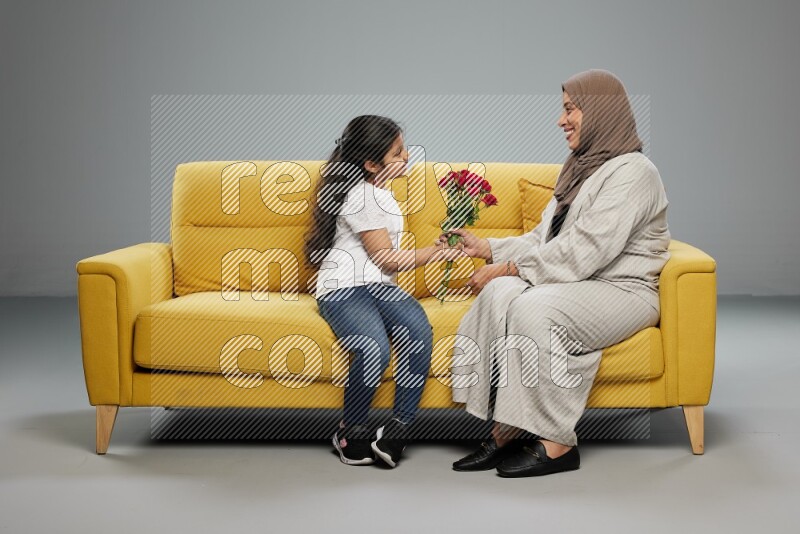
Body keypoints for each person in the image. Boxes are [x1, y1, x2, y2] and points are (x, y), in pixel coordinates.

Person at [437, 69, 671, 477]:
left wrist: (509, 267)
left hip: (622, 290)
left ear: (599, 111)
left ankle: (558, 442)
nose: (560, 120)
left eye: (570, 109)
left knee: (535, 308)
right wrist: (489, 249)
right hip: (581, 282)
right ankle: (508, 426)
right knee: (500, 294)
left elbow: (585, 250)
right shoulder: (580, 168)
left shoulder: (635, 173)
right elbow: (545, 240)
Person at [304, 115, 462, 468]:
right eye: (398, 153)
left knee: (418, 331)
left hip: (375, 285)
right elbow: (388, 260)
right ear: (372, 164)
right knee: (373, 347)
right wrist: (435, 253)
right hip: (343, 287)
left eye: (404, 149)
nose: (407, 157)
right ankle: (351, 430)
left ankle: (398, 429)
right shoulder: (362, 195)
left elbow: (381, 268)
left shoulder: (378, 191)